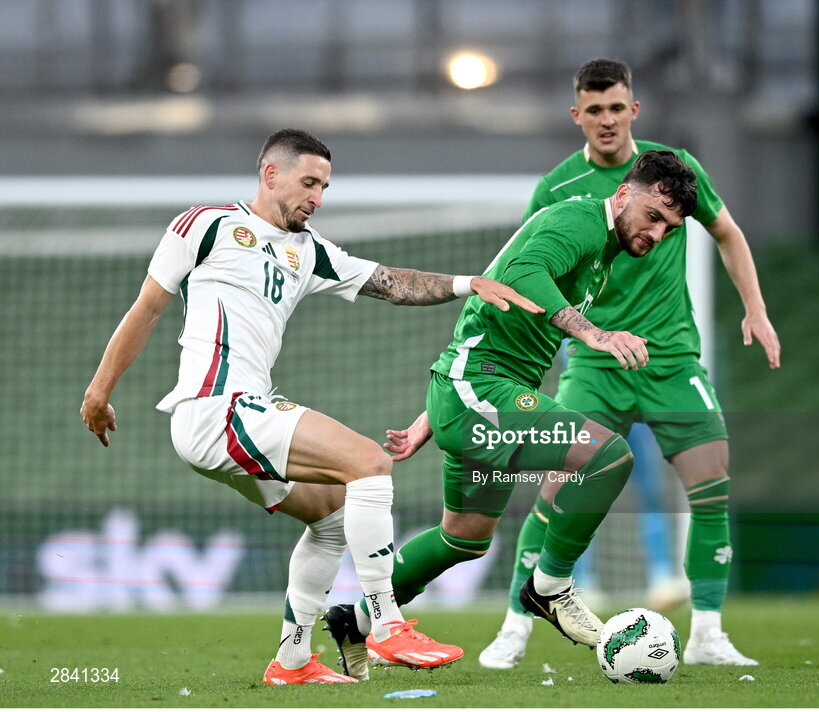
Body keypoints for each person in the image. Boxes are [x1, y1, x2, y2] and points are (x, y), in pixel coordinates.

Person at [79, 128, 543, 685]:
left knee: (332, 517)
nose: (317, 197)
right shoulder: (205, 226)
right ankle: (389, 625)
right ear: (270, 174)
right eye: (308, 182)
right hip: (215, 407)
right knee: (369, 462)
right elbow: (147, 309)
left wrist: (470, 283)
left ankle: (292, 661)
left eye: (324, 186)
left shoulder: (309, 250)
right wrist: (98, 392)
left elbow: (390, 283)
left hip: (240, 414)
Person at [323, 149, 698, 671]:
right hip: (481, 390)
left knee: (464, 539)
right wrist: (596, 334)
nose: (656, 234)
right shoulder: (577, 221)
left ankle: (356, 621)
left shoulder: (602, 254)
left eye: (669, 228)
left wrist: (430, 418)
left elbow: (486, 322)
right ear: (622, 195)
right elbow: (523, 273)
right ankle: (551, 587)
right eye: (653, 216)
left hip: (473, 394)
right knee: (606, 456)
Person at [477, 58, 781, 670]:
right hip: (594, 365)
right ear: (577, 116)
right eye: (594, 110)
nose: (607, 120)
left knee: (712, 488)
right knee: (557, 492)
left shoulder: (674, 172)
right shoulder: (556, 190)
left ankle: (708, 634)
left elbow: (728, 232)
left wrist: (757, 309)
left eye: (617, 107)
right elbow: (531, 275)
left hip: (671, 359)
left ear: (633, 109)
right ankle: (515, 625)